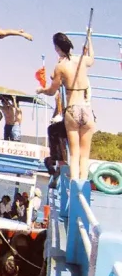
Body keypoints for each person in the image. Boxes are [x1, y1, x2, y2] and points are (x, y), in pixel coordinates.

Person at [37, 30, 97, 180]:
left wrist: (41, 90)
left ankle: (74, 185)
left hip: (72, 109)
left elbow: (52, 91)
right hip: (87, 111)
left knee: (74, 154)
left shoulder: (60, 67)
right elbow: (92, 58)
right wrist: (89, 39)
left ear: (57, 48)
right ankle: (83, 185)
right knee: (85, 156)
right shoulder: (81, 60)